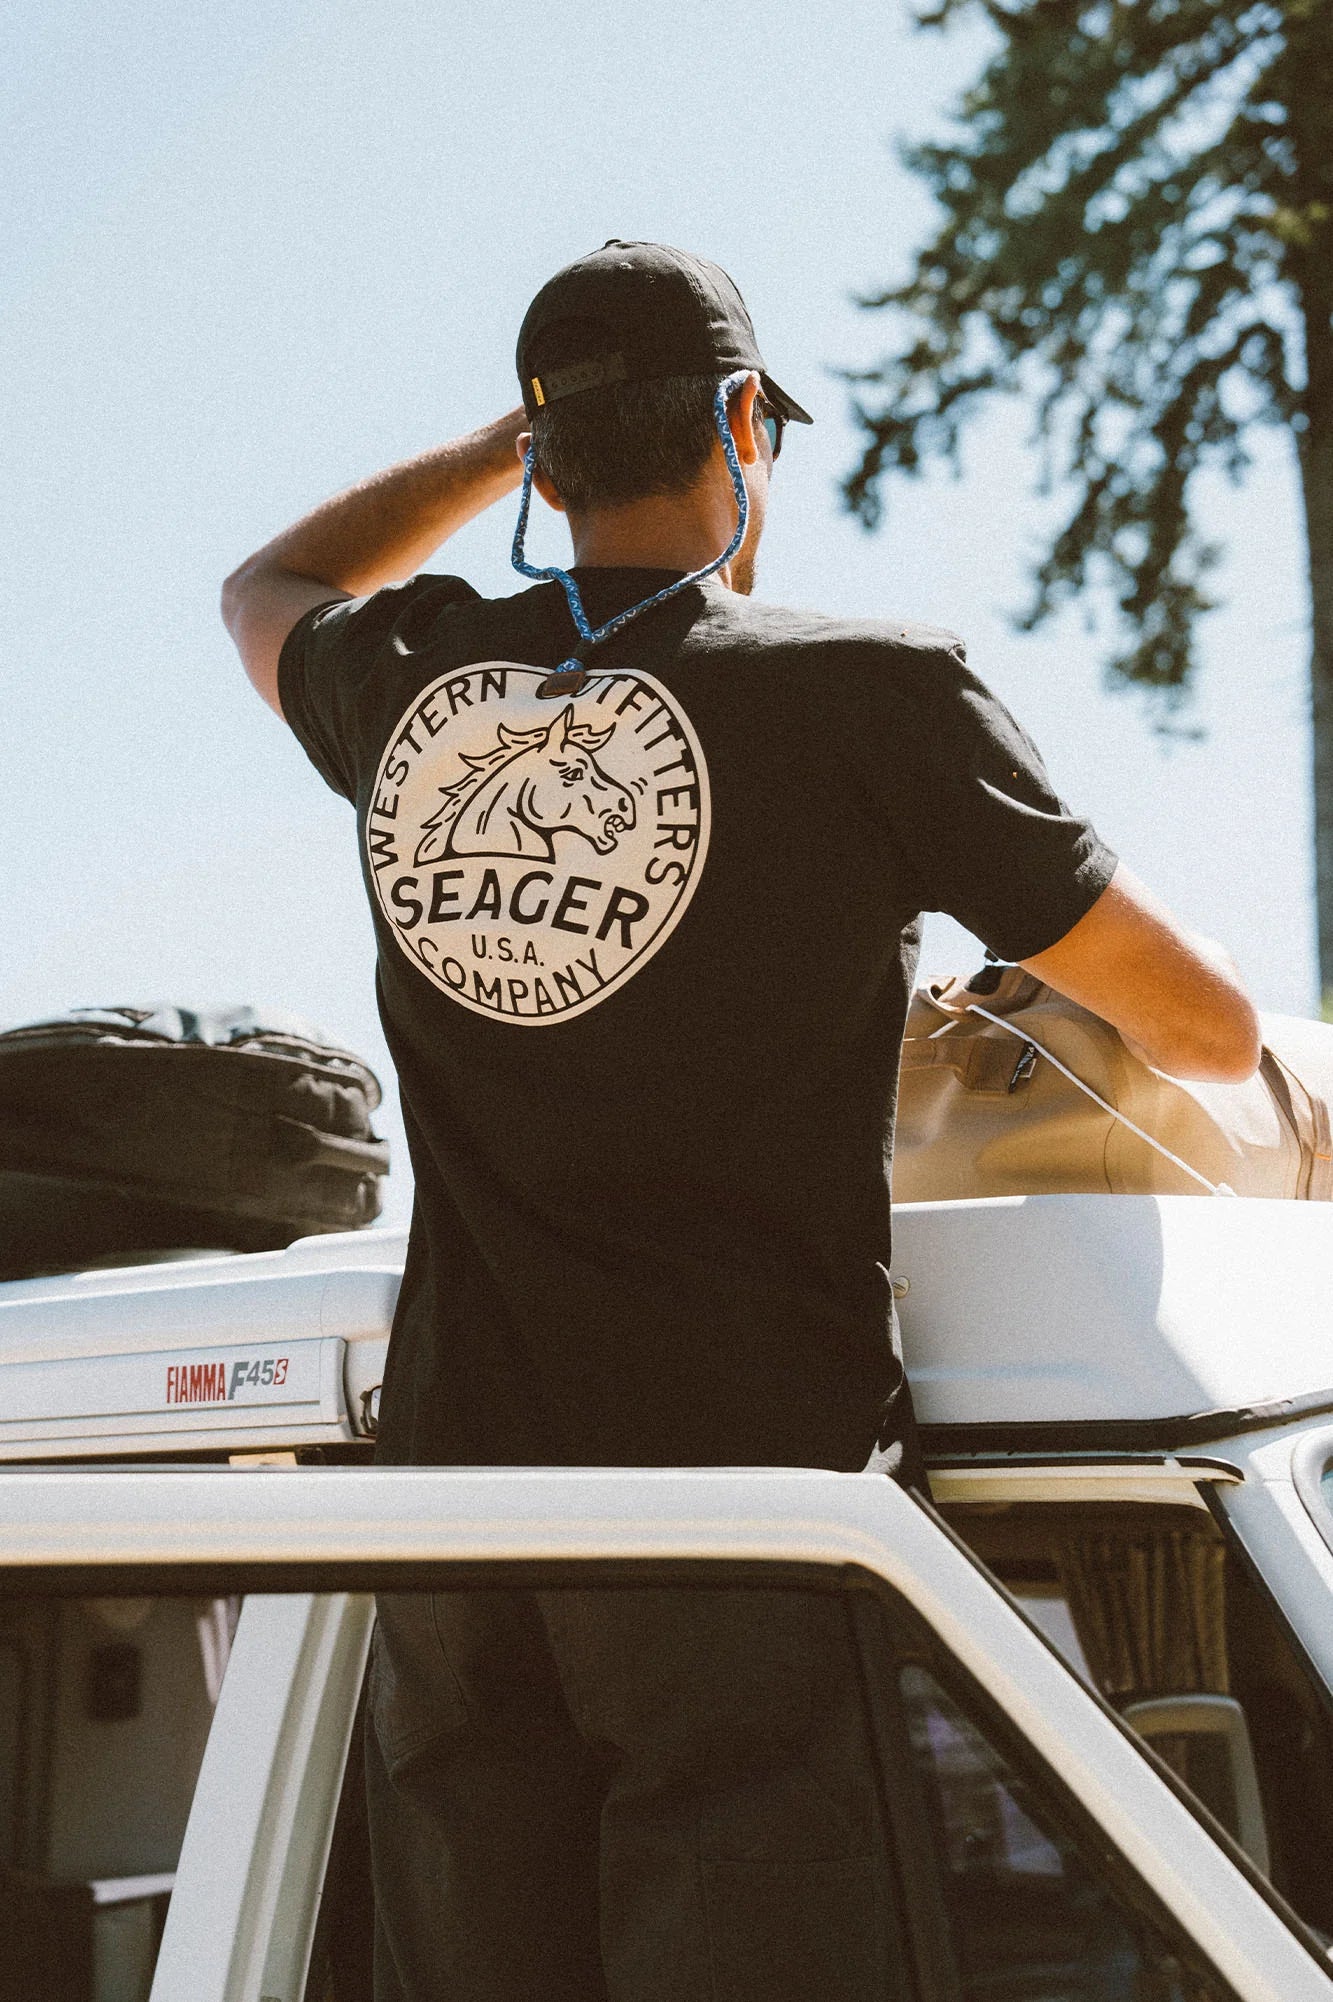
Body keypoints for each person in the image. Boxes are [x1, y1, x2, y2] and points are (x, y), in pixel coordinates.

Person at [222, 241, 1261, 2001]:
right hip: (739, 1512)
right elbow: (1211, 1035)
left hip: (454, 1528)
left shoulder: (414, 690)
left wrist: (511, 443)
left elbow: (270, 582)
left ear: (545, 460)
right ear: (740, 425)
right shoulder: (868, 690)